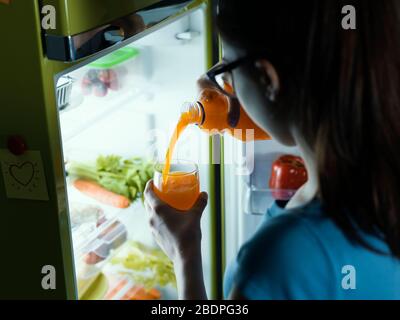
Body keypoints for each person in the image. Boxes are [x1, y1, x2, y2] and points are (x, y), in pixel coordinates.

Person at [144, 0, 400, 300]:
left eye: (226, 71)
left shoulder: (280, 260)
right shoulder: (378, 184)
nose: (227, 86)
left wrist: (184, 252)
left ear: (268, 77)